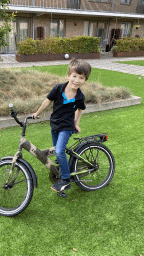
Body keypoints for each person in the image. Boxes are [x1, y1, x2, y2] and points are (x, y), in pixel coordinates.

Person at [33, 59, 91, 193]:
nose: (77, 80)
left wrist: (76, 124)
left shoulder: (79, 97)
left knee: (59, 151)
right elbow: (47, 101)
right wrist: (37, 113)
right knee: (57, 151)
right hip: (55, 125)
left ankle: (65, 180)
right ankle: (61, 170)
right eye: (74, 76)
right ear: (69, 75)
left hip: (66, 127)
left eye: (81, 78)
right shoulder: (58, 88)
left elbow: (80, 110)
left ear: (85, 80)